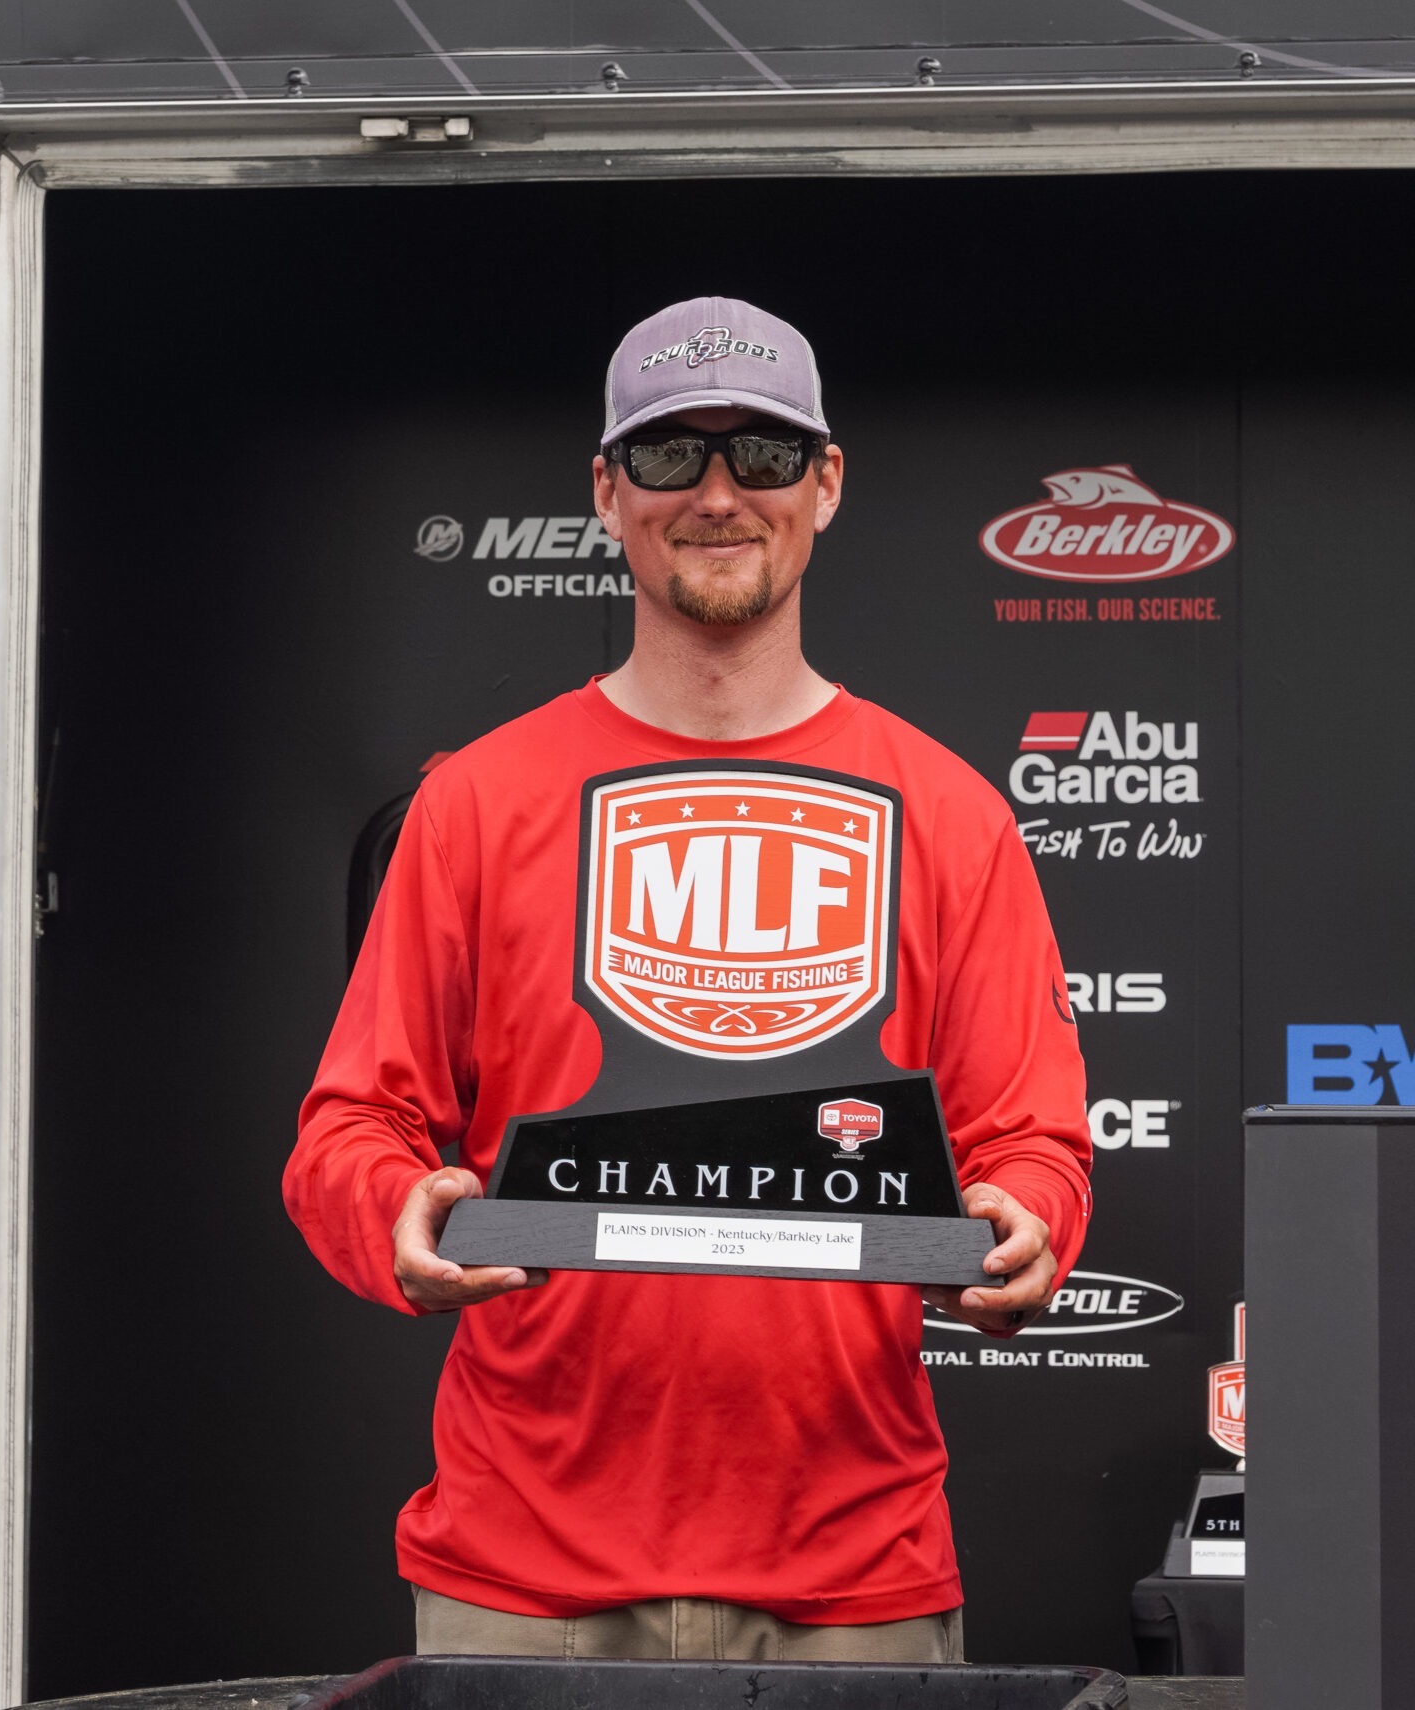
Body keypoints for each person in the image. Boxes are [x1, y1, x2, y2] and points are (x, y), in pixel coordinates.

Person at [284, 296, 1092, 1664]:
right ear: (609, 492)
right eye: (670, 455)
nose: (719, 495)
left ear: (825, 484)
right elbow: (350, 1129)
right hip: (523, 1578)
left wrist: (1023, 1222)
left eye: (763, 452)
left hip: (855, 1574)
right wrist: (392, 1210)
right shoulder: (476, 802)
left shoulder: (952, 816)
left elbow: (1032, 1142)